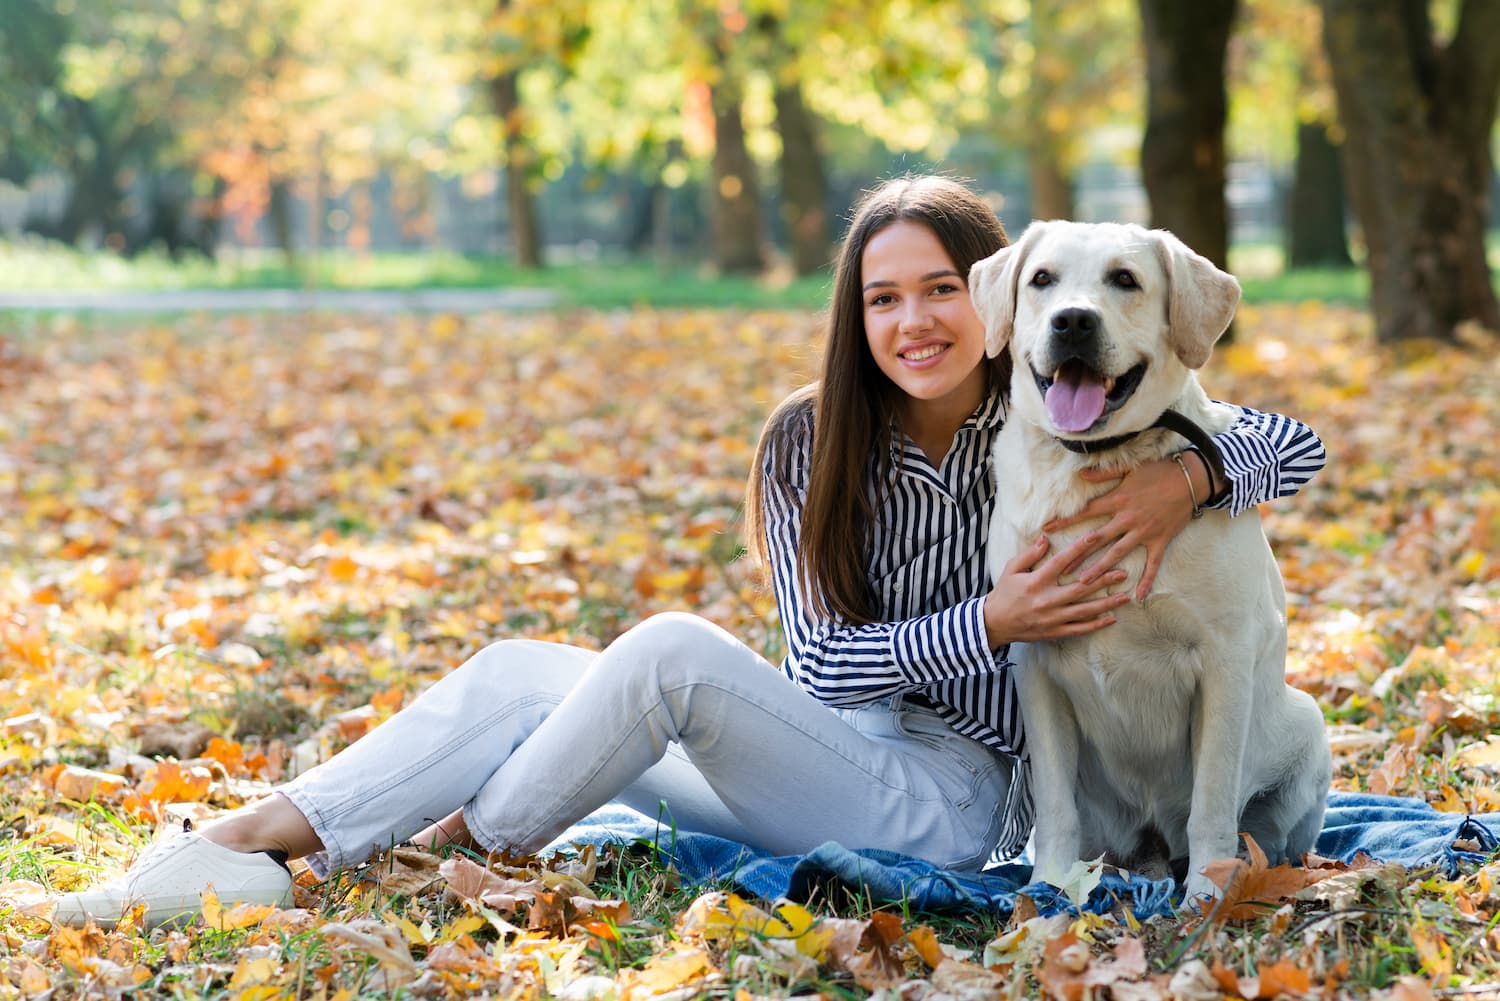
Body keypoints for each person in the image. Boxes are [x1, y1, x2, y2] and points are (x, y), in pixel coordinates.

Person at [54, 176, 1325, 928]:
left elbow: (1293, 443)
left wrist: (1190, 476)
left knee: (662, 651)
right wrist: (993, 617)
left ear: (984, 302)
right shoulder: (809, 443)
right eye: (885, 297)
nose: (917, 319)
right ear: (860, 315)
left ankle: (432, 854)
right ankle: (236, 847)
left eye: (941, 288)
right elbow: (824, 670)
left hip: (966, 801)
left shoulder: (1062, 412)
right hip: (833, 747)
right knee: (511, 668)